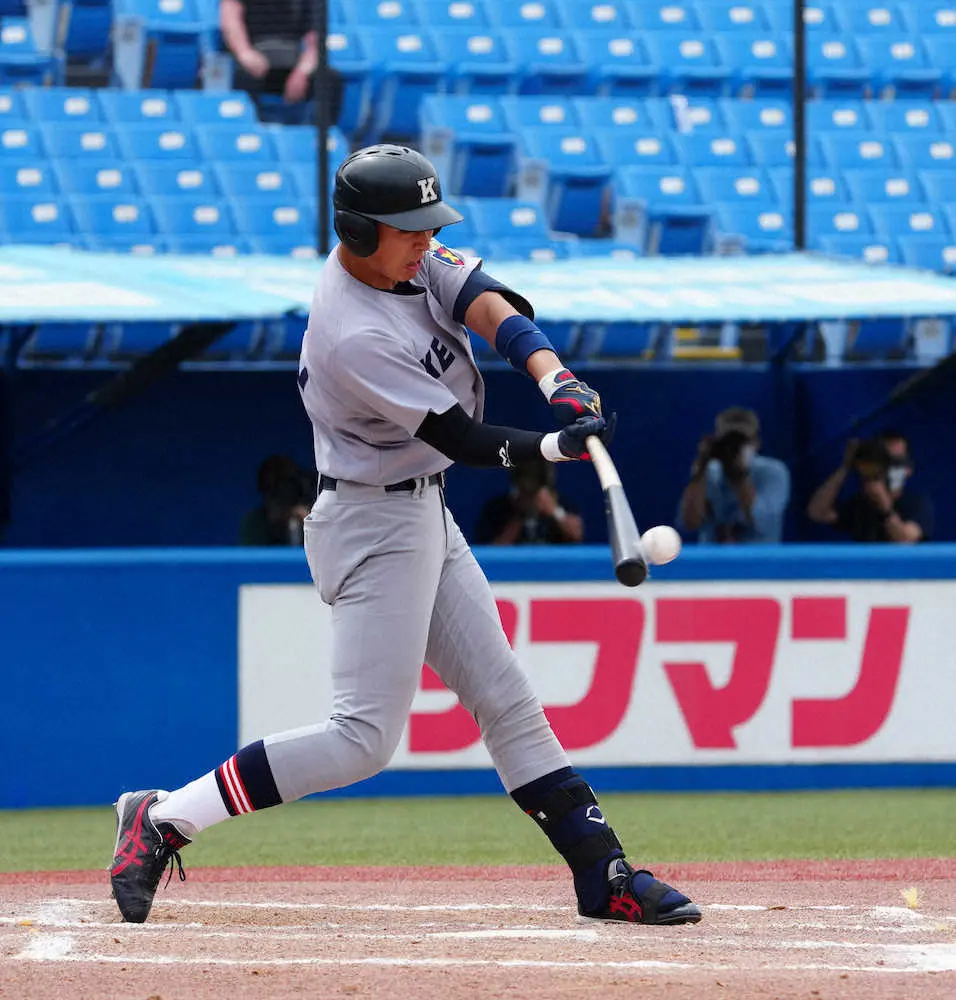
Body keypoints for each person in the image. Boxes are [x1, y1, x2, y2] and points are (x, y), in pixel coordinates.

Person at [109, 144, 701, 930]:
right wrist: (558, 446)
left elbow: (488, 302)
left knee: (508, 702)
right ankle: (161, 818)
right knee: (361, 739)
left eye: (429, 227)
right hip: (369, 522)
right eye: (410, 230)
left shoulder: (409, 256)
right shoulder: (351, 333)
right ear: (359, 232)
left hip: (423, 510)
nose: (426, 240)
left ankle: (606, 876)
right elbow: (460, 437)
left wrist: (556, 378)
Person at [678, 406, 791, 544]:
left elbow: (762, 522)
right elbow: (690, 523)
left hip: (758, 559)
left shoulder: (773, 472)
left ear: (756, 443)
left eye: (741, 442)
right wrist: (700, 471)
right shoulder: (710, 472)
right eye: (728, 442)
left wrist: (740, 475)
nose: (733, 448)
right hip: (714, 560)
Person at [220, 0, 341, 124]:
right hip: (253, 59)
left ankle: (313, 138)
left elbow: (315, 40)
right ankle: (249, 134)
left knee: (329, 80)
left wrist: (302, 71)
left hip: (291, 64)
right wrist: (245, 53)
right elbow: (231, 19)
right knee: (243, 75)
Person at [807, 430, 934, 543]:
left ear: (908, 469)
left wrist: (886, 509)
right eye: (885, 461)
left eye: (896, 462)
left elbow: (905, 540)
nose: (889, 468)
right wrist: (846, 467)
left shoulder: (917, 504)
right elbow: (817, 513)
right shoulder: (860, 504)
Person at [475, 458, 584, 545]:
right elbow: (491, 554)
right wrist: (519, 516)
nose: (529, 493)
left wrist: (554, 511)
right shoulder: (497, 508)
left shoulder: (561, 504)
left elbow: (576, 536)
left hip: (553, 568)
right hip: (513, 568)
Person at [239, 454, 315, 546]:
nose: (285, 490)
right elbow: (251, 557)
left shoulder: (310, 518)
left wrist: (309, 525)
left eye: (289, 483)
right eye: (278, 485)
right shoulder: (254, 523)